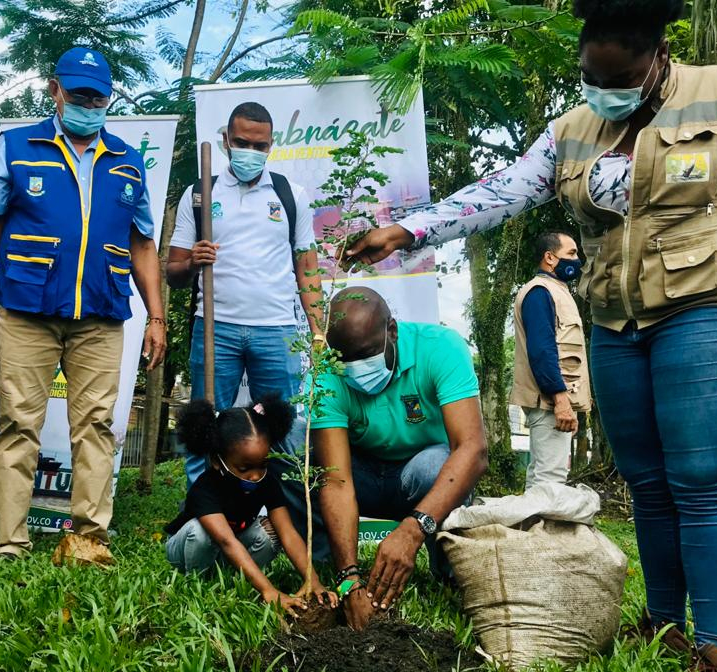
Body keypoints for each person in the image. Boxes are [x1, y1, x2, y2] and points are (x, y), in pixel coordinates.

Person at [343, 0, 717, 672]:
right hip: (617, 324)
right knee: (650, 483)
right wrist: (411, 230)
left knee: (701, 479)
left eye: (621, 77)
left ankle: (713, 645)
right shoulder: (572, 129)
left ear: (658, 55)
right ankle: (663, 625)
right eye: (592, 77)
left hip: (713, 307)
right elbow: (506, 190)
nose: (606, 91)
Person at [0, 47, 167, 560]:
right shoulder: (16, 146)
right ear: (55, 90)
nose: (88, 104)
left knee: (97, 426)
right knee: (17, 424)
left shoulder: (127, 159)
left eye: (98, 97)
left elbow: (144, 243)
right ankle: (10, 540)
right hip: (25, 310)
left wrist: (157, 315)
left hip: (101, 314)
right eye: (78, 94)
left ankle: (89, 539)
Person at [305, 287, 488, 630]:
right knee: (299, 454)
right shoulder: (327, 374)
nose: (357, 368)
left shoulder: (440, 347)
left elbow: (473, 450)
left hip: (419, 482)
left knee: (433, 467)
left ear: (392, 330)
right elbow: (336, 479)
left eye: (367, 354)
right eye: (346, 359)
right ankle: (327, 571)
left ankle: (447, 573)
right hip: (362, 479)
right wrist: (350, 579)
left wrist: (413, 530)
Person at [167, 101, 321, 486]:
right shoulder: (201, 193)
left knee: (283, 428)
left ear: (271, 145)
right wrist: (192, 262)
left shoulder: (290, 194)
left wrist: (317, 329)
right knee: (206, 426)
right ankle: (202, 516)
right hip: (215, 328)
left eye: (259, 145)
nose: (250, 152)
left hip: (278, 330)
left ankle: (280, 513)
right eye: (241, 142)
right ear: (225, 141)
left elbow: (307, 265)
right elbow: (173, 271)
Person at [165, 394, 337, 616]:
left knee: (270, 530)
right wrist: (269, 591)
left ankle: (236, 579)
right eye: (245, 469)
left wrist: (313, 580)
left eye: (263, 464)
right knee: (200, 532)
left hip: (228, 547)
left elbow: (288, 533)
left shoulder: (266, 481)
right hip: (187, 550)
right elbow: (226, 541)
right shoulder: (204, 489)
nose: (256, 475)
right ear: (218, 461)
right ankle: (199, 583)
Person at [512, 232, 591, 489]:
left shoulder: (557, 291)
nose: (576, 260)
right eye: (571, 253)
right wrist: (560, 401)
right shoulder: (539, 292)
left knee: (541, 478)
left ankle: (531, 529)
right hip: (548, 403)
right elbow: (542, 351)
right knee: (551, 481)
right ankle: (541, 530)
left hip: (553, 402)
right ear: (549, 257)